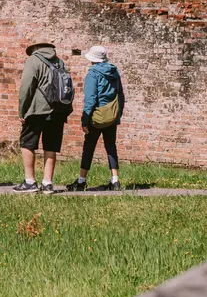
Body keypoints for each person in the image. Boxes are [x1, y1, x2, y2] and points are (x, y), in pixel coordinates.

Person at [14, 40, 73, 194]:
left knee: (27, 143)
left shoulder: (33, 60)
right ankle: (47, 184)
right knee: (51, 146)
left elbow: (26, 86)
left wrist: (22, 111)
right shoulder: (59, 62)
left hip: (37, 110)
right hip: (58, 111)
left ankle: (30, 182)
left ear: (35, 48)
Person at [69, 46, 126, 192]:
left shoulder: (92, 74)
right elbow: (121, 95)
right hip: (112, 116)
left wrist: (84, 120)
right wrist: (117, 114)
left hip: (96, 116)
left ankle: (81, 181)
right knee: (111, 147)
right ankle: (115, 181)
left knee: (89, 147)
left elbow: (90, 99)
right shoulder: (115, 72)